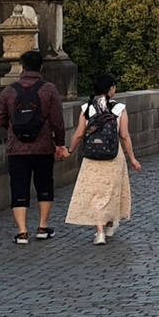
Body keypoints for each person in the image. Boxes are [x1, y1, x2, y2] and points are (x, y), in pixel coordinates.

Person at [0, 49, 66, 244]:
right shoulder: (49, 89)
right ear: (40, 67)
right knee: (44, 185)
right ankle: (42, 226)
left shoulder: (10, 90)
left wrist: (12, 128)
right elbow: (58, 120)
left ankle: (22, 231)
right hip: (42, 147)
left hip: (16, 148)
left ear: (22, 67)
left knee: (19, 187)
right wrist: (59, 144)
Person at [65, 72, 141, 244]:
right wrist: (133, 158)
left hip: (92, 157)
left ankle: (99, 232)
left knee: (95, 193)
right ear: (110, 89)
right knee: (110, 193)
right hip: (113, 156)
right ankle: (110, 223)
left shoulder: (87, 108)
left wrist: (70, 150)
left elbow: (79, 134)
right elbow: (124, 135)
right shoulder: (119, 108)